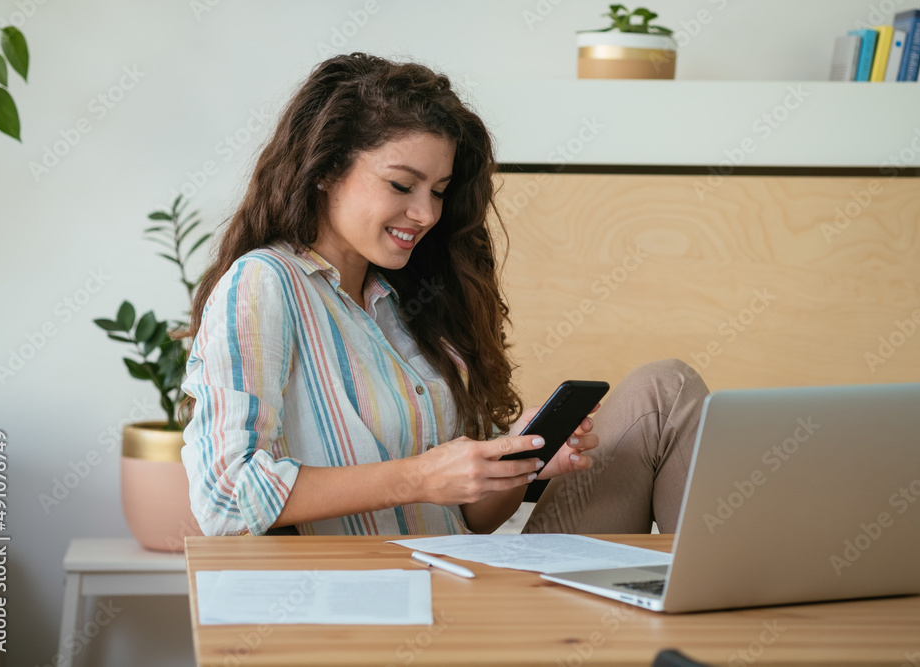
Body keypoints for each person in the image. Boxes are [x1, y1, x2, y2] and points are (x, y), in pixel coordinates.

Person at [179, 52, 710, 538]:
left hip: (462, 577)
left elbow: (472, 519)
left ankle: (729, 615)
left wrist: (512, 463)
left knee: (666, 389)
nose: (427, 215)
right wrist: (419, 478)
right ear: (326, 170)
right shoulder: (265, 284)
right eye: (401, 185)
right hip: (373, 602)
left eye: (437, 191)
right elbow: (224, 496)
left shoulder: (411, 303)